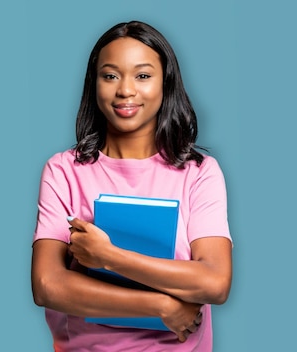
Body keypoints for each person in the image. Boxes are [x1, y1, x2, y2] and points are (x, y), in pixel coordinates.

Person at [31, 20, 232, 351]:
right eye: (110, 75)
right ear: (93, 84)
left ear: (165, 84)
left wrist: (109, 257)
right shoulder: (64, 171)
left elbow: (215, 282)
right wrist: (161, 307)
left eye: (143, 75)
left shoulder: (199, 173)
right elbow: (47, 285)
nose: (125, 90)